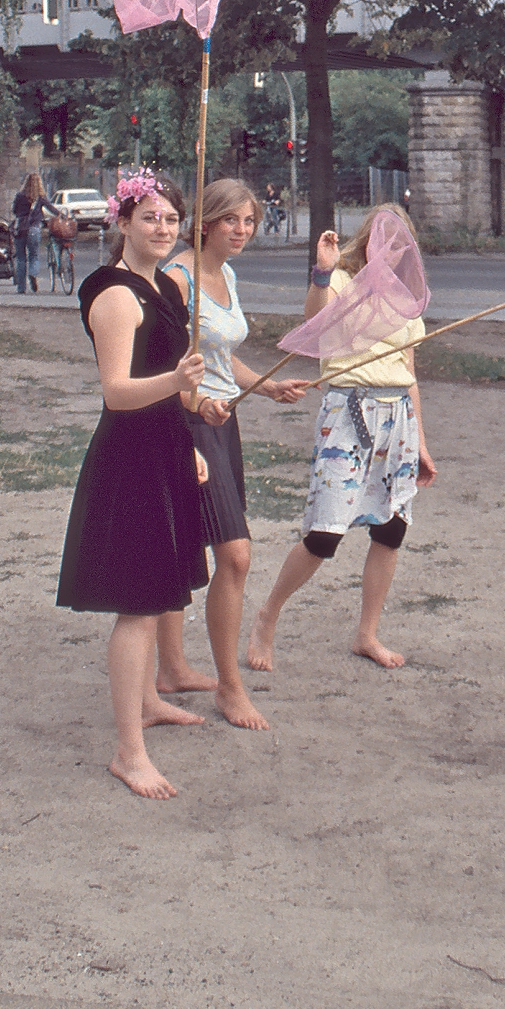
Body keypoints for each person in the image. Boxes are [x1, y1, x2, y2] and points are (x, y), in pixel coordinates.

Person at [56, 171, 224, 801]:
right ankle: (130, 752)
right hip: (129, 459)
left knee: (159, 593)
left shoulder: (165, 293)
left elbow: (169, 384)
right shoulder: (116, 296)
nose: (162, 228)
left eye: (171, 220)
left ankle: (151, 699)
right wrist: (178, 381)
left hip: (165, 449)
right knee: (137, 604)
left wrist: (198, 407)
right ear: (122, 222)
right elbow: (118, 393)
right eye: (149, 217)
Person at [246, 204, 438, 675]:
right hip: (351, 412)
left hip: (399, 417)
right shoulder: (339, 284)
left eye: (399, 244)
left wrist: (423, 443)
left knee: (391, 529)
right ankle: (267, 615)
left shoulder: (408, 299)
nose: (390, 250)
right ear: (367, 240)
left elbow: (408, 372)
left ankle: (366, 634)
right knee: (325, 534)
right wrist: (321, 273)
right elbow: (314, 324)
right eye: (382, 240)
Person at [156, 180, 308, 729]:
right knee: (236, 554)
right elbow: (161, 368)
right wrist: (197, 403)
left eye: (249, 222)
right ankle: (230, 687)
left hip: (224, 421)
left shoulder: (228, 274)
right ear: (206, 220)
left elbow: (221, 358)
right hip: (187, 419)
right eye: (231, 221)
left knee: (188, 542)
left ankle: (171, 669)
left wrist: (265, 387)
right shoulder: (177, 279)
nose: (241, 231)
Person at [12, 171, 49, 293]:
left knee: (21, 258)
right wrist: (62, 215)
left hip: (21, 229)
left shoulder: (20, 195)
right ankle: (33, 273)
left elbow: (14, 211)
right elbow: (51, 208)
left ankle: (21, 288)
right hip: (34, 228)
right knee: (34, 256)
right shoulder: (40, 197)